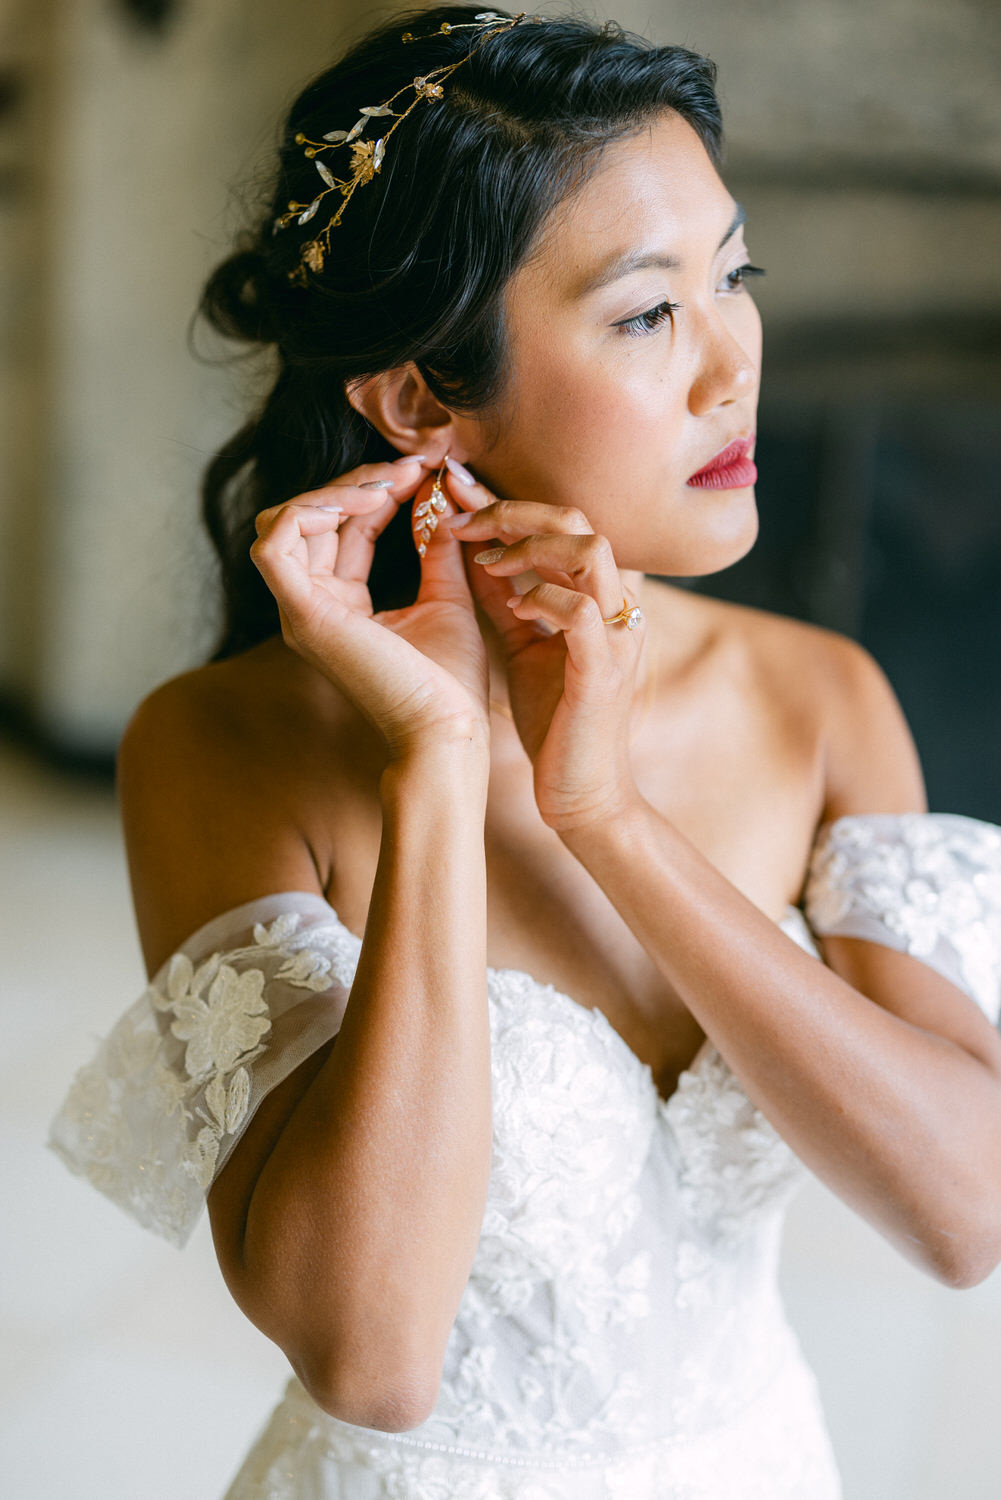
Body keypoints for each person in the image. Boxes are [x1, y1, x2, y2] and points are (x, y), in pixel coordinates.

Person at [47, 7, 1001, 1497]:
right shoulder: (225, 748)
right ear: (424, 400)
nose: (730, 365)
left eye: (730, 276)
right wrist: (430, 761)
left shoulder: (817, 698)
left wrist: (607, 814)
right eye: (644, 314)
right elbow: (368, 1355)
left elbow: (967, 1216)